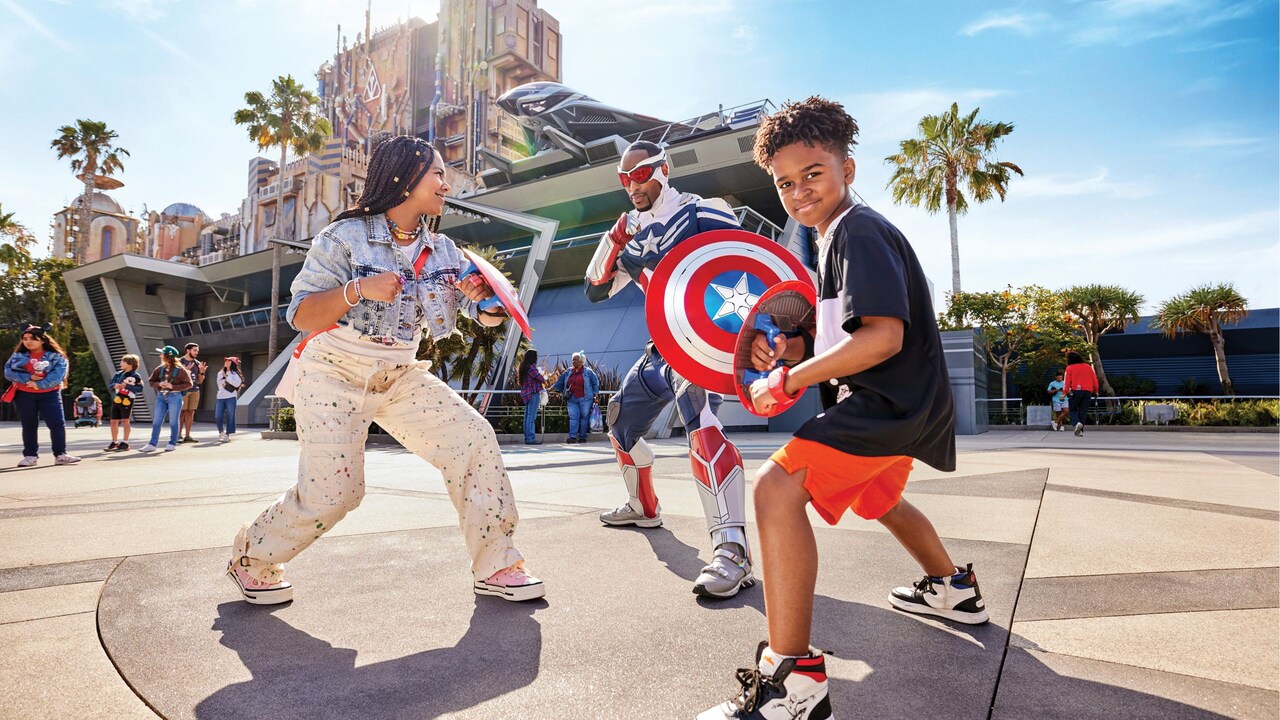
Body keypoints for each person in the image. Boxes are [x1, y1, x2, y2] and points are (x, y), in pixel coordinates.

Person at [700, 97, 989, 720]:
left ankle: (794, 680)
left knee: (774, 489)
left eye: (813, 174)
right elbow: (841, 333)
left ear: (847, 169)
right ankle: (954, 589)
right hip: (902, 404)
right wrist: (789, 348)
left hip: (889, 404)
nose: (799, 191)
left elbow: (883, 336)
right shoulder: (833, 240)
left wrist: (788, 378)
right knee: (879, 496)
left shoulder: (858, 230)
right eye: (784, 183)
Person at [227, 135, 544, 606]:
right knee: (336, 495)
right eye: (437, 172)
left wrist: (488, 306)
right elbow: (300, 315)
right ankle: (250, 558)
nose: (446, 182)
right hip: (334, 370)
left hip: (399, 373)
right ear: (405, 178)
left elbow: (482, 314)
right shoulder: (343, 237)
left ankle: (496, 562)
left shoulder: (445, 251)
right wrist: (357, 290)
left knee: (474, 438)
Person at [583, 139, 755, 599]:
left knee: (702, 424)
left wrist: (659, 257)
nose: (632, 185)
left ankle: (732, 548)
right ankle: (643, 505)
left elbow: (740, 264)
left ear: (663, 170)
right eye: (624, 179)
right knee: (620, 419)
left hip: (697, 340)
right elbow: (595, 290)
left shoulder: (702, 210)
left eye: (640, 175)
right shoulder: (626, 227)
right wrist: (617, 244)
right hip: (661, 347)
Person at [4, 324, 80, 468]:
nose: (28, 341)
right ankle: (30, 456)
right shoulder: (18, 355)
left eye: (32, 338)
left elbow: (59, 375)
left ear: (43, 340)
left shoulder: (57, 356)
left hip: (50, 394)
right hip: (24, 394)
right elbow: (8, 372)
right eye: (25, 338)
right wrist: (28, 378)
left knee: (57, 424)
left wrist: (40, 384)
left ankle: (60, 455)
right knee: (29, 425)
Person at [139, 346, 193, 453]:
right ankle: (152, 444)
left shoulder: (180, 370)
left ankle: (172, 443)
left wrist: (173, 386)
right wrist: (159, 384)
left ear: (168, 356)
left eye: (162, 354)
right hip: (161, 396)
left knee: (173, 421)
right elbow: (151, 381)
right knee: (157, 421)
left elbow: (189, 384)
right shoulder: (160, 368)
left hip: (175, 396)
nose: (160, 356)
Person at [551, 351, 599, 443]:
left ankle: (582, 437)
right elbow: (560, 382)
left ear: (581, 361)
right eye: (572, 360)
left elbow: (595, 383)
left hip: (585, 398)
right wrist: (550, 389)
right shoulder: (569, 371)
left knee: (584, 418)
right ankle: (572, 436)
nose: (573, 362)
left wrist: (596, 396)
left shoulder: (588, 372)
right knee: (573, 417)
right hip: (571, 398)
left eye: (575, 360)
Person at [106, 354, 143, 451]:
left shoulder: (135, 376)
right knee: (113, 421)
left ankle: (125, 442)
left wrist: (126, 387)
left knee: (125, 420)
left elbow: (140, 388)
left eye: (123, 361)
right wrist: (115, 385)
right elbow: (110, 384)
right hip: (116, 399)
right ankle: (114, 442)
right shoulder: (118, 374)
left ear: (130, 364)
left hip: (127, 400)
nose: (120, 363)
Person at [1064, 352, 1099, 437]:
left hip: (1076, 390)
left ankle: (1077, 423)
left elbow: (1067, 382)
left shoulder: (1069, 368)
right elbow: (1094, 379)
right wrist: (1096, 390)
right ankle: (1080, 431)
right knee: (1083, 411)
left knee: (1072, 409)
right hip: (1088, 391)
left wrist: (1064, 392)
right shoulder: (1088, 367)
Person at [517, 349, 547, 445]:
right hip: (533, 393)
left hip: (526, 394)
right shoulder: (531, 367)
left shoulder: (523, 366)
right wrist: (543, 376)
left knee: (527, 417)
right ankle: (530, 439)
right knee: (531, 417)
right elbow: (541, 379)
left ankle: (527, 438)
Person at [178, 343, 206, 443]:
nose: (196, 352)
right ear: (188, 350)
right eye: (195, 350)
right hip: (183, 390)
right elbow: (175, 377)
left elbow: (200, 381)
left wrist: (202, 372)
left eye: (197, 351)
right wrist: (185, 370)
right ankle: (178, 435)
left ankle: (188, 435)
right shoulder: (179, 362)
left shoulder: (197, 363)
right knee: (181, 412)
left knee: (191, 412)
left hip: (195, 390)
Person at [215, 356, 244, 443]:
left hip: (231, 397)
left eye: (229, 361)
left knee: (230, 416)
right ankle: (221, 432)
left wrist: (226, 377)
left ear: (233, 363)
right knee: (218, 416)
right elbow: (219, 384)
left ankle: (227, 434)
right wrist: (224, 377)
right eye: (226, 361)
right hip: (220, 397)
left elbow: (236, 384)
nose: (226, 362)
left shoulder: (235, 374)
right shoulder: (220, 373)